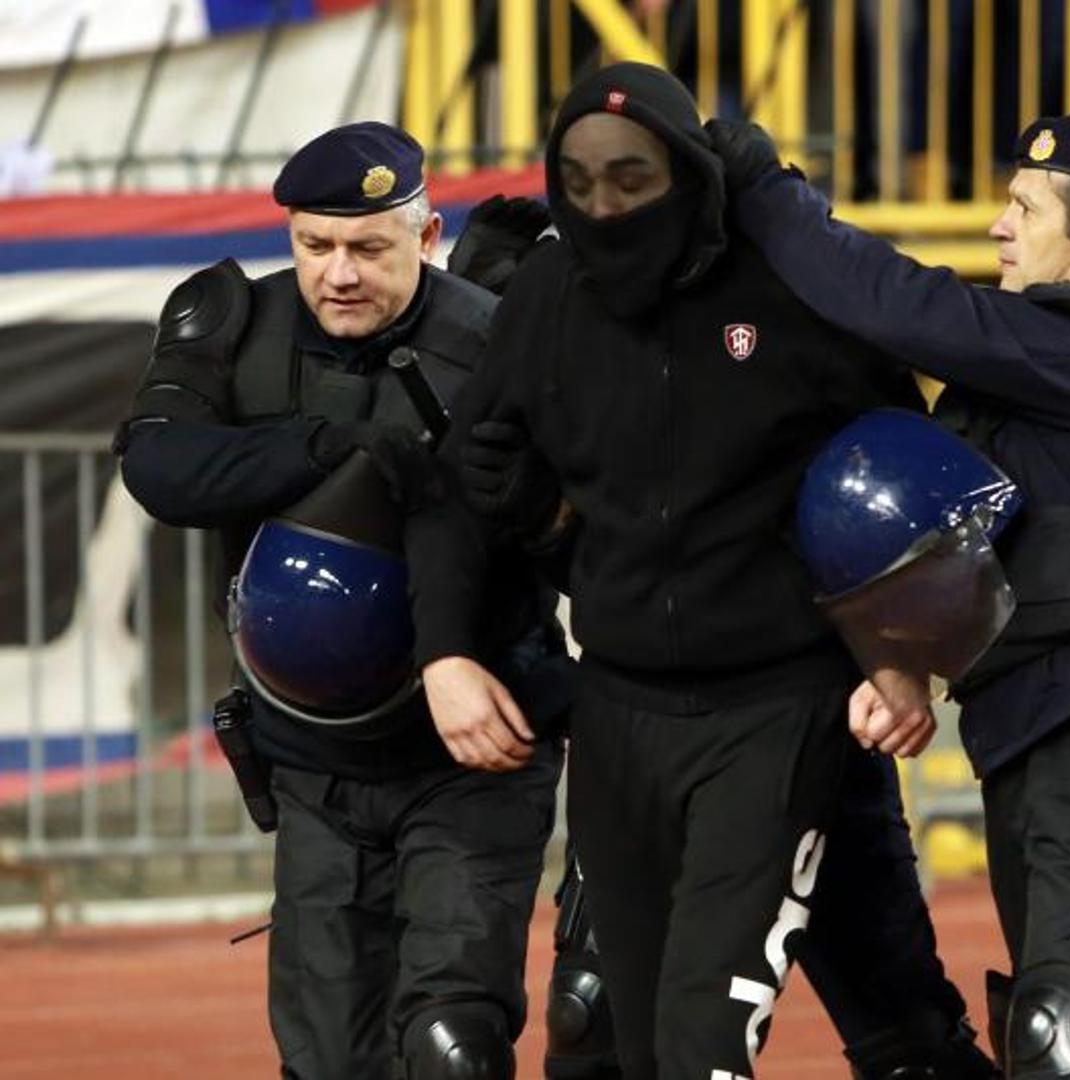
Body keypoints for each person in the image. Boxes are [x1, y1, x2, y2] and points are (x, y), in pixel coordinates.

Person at [412, 63, 992, 1079]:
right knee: (624, 1046)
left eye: (630, 179)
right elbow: (464, 484)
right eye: (578, 183)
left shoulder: (788, 283)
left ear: (685, 170)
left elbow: (900, 474)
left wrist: (899, 658)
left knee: (702, 1048)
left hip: (781, 709)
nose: (603, 206)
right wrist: (445, 655)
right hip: (617, 713)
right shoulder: (545, 295)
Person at [707, 112, 1070, 1077]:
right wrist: (900, 666)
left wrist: (768, 190)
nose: (997, 226)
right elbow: (961, 549)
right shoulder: (1049, 368)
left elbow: (897, 301)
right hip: (1041, 732)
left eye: (1025, 208)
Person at [115, 122, 566, 1080]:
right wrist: (322, 450)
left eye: (367, 247)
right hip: (312, 765)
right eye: (314, 246)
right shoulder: (238, 325)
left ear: (427, 235)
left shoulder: (496, 341)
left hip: (468, 752)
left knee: (452, 1043)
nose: (339, 274)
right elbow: (157, 467)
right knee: (326, 1061)